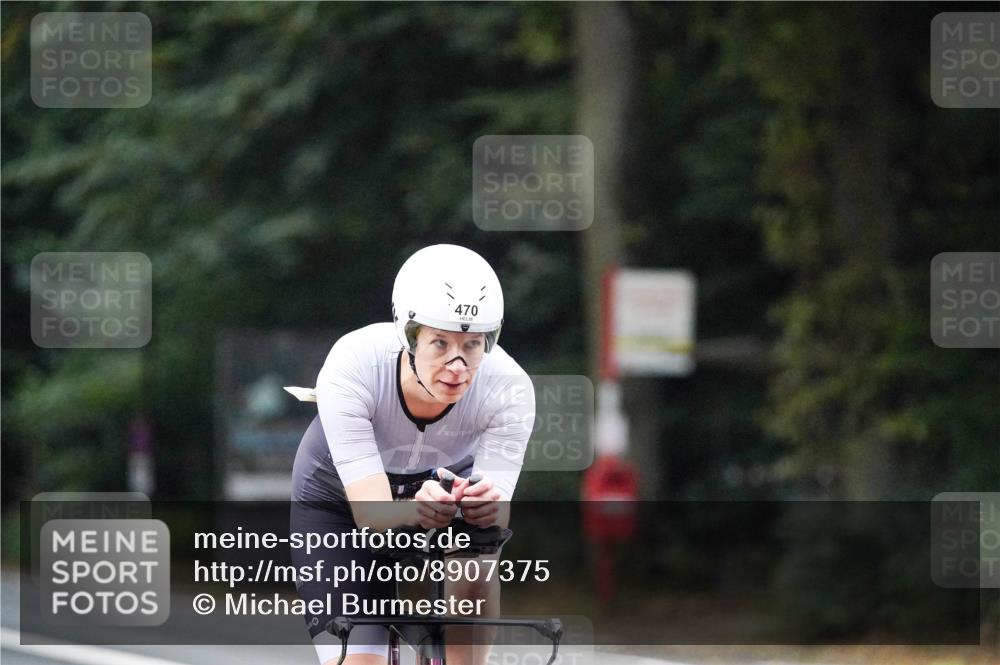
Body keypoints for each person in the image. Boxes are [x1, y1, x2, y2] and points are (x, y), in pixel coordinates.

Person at [290, 244, 535, 665]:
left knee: (477, 559)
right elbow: (371, 516)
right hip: (341, 501)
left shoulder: (509, 389)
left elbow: (496, 520)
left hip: (444, 490)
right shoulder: (354, 364)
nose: (457, 365)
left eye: (473, 344)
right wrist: (415, 510)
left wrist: (484, 509)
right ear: (408, 336)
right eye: (440, 343)